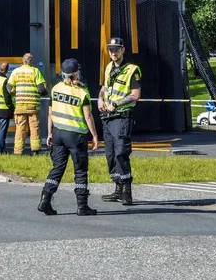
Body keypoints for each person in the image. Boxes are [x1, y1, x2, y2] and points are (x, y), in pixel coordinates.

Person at [38, 58, 100, 216]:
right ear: (77, 73)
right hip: (76, 136)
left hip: (58, 133)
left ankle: (45, 199)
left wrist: (50, 133)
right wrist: (94, 135)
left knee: (57, 168)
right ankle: (82, 206)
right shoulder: (81, 92)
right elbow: (88, 116)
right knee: (80, 170)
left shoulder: (56, 88)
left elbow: (50, 113)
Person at [98, 36, 142, 206]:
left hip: (122, 116)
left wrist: (116, 103)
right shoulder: (109, 67)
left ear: (123, 50)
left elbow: (135, 95)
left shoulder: (132, 69)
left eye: (116, 49)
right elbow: (104, 88)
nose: (113, 52)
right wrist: (100, 99)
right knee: (109, 155)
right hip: (108, 118)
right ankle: (117, 188)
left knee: (121, 153)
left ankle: (127, 192)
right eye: (110, 50)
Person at [7, 52, 46, 155]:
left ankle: (18, 152)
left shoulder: (16, 71)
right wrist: (43, 92)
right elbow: (41, 88)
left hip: (20, 105)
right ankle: (35, 151)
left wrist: (16, 94)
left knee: (20, 128)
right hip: (33, 105)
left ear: (22, 60)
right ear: (31, 61)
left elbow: (9, 87)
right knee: (34, 127)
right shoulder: (35, 71)